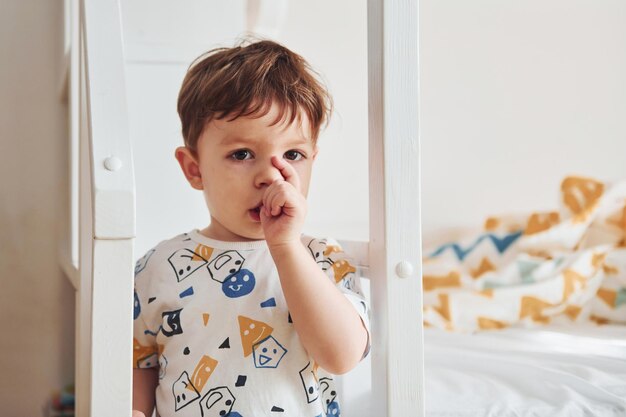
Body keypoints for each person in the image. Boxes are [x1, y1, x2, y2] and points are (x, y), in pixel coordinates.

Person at [132, 39, 371, 417]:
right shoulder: (159, 267)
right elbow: (140, 364)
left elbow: (341, 357)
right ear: (194, 169)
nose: (270, 175)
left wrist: (286, 247)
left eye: (293, 155)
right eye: (242, 154)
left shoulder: (321, 257)